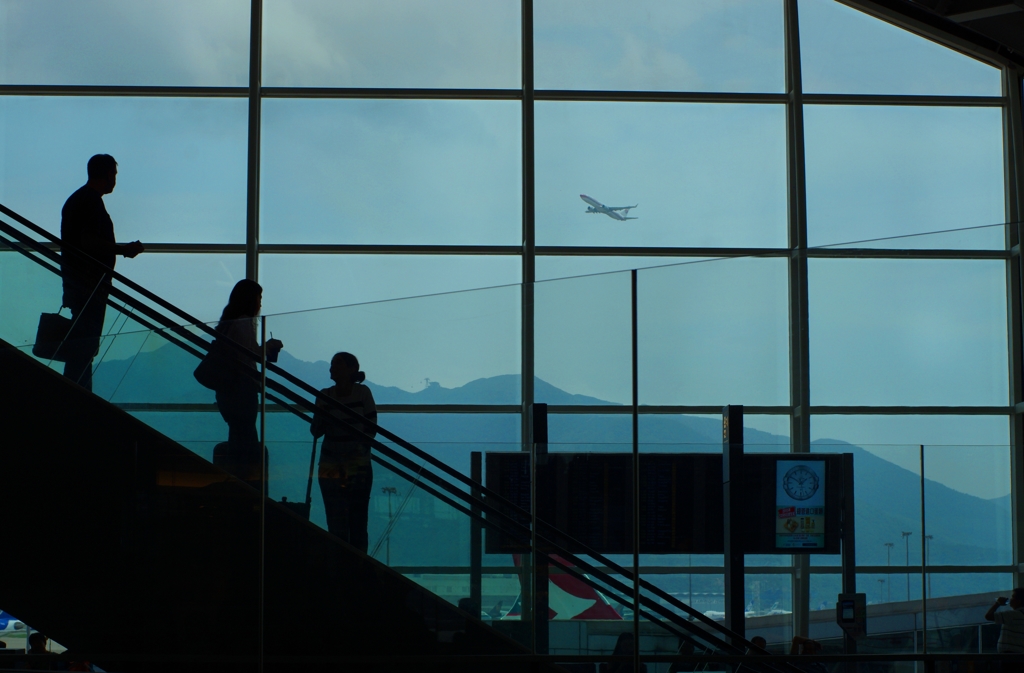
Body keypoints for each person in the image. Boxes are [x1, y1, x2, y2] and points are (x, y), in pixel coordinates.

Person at [60, 154, 144, 391]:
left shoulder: (79, 199)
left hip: (80, 285)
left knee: (81, 349)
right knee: (84, 348)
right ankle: (79, 400)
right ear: (108, 174)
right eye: (114, 174)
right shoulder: (90, 201)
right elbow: (88, 241)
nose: (115, 180)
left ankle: (77, 398)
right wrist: (123, 250)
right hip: (89, 286)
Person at [213, 279, 282, 491]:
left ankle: (240, 483)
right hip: (242, 391)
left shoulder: (229, 322)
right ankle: (246, 486)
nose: (260, 302)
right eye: (259, 297)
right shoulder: (243, 322)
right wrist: (268, 347)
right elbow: (248, 355)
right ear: (250, 299)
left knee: (240, 437)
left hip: (229, 392)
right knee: (246, 440)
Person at [310, 352, 377, 552]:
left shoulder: (354, 393)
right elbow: (370, 428)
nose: (332, 368)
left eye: (337, 364)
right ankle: (353, 567)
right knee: (350, 520)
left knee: (345, 520)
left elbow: (371, 429)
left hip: (333, 464)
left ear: (351, 369)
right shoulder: (329, 395)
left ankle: (343, 566)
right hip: (357, 463)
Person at [986, 589, 1024, 656]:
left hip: (1009, 656)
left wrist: (997, 603)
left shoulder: (1013, 615)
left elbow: (988, 616)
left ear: (1018, 602)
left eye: (1012, 597)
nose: (1010, 599)